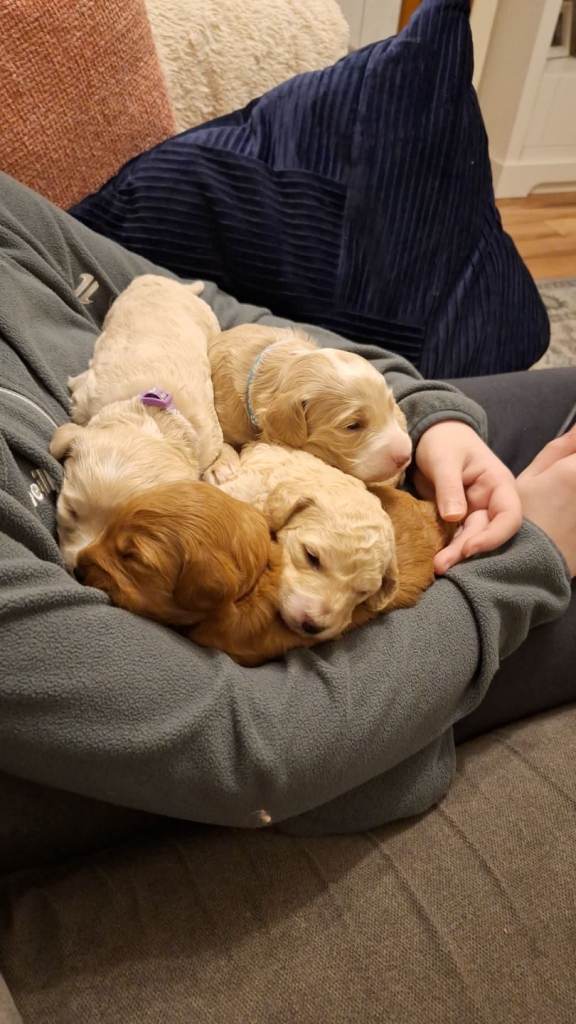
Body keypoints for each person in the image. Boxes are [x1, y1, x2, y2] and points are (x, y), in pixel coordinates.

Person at [0, 170, 575, 841]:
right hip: (351, 656)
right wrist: (528, 557)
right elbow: (246, 754)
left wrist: (422, 417)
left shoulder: (9, 215)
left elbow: (217, 312)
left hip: (331, 475)